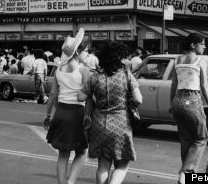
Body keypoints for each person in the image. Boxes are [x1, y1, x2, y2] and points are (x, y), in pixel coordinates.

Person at [78, 40, 142, 184]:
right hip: (121, 123)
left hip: (99, 124)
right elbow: (138, 100)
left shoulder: (95, 77)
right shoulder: (126, 75)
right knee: (121, 166)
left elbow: (81, 96)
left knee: (103, 165)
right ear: (119, 58)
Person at [44, 29, 90, 184]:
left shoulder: (58, 70)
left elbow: (52, 96)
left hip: (61, 112)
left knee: (63, 154)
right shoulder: (83, 70)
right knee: (82, 152)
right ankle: (71, 182)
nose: (87, 55)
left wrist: (49, 115)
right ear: (78, 52)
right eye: (86, 52)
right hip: (77, 112)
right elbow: (88, 96)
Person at [170, 33, 208, 184]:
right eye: (202, 44)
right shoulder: (200, 61)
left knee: (186, 139)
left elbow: (173, 85)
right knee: (201, 138)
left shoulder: (176, 60)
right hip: (192, 100)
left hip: (177, 100)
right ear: (193, 45)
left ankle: (186, 175)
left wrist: (172, 104)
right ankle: (185, 173)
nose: (204, 46)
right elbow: (204, 86)